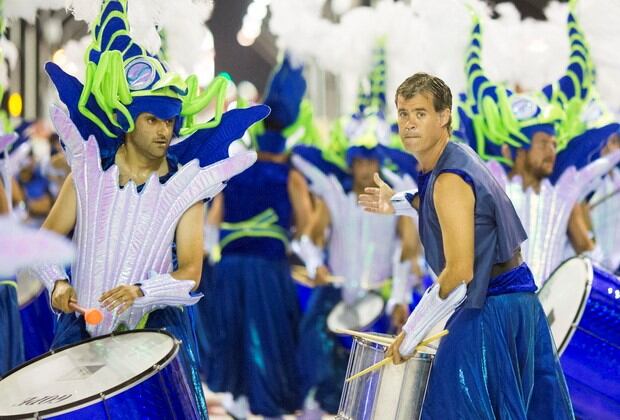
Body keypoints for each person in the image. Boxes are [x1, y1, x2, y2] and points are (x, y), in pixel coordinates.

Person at [18, 0, 268, 416]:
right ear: (128, 120)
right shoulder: (86, 172)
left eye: (170, 122)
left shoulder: (186, 185)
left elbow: (190, 272)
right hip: (82, 330)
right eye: (153, 120)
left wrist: (140, 293)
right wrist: (58, 286)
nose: (164, 131)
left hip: (153, 334)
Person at [359, 72, 574, 419]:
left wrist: (411, 334)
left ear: (444, 116)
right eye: (403, 114)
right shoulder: (454, 159)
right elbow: (452, 209)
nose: (409, 124)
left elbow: (459, 271)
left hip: (488, 311)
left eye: (420, 113)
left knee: (451, 407)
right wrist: (396, 202)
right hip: (517, 307)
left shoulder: (448, 179)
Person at [200, 57, 313, 419]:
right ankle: (267, 406)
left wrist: (211, 253)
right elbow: (307, 223)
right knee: (269, 337)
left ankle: (237, 400)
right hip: (267, 268)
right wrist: (292, 241)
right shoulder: (289, 174)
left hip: (231, 268)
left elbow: (212, 219)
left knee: (232, 336)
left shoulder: (236, 171)